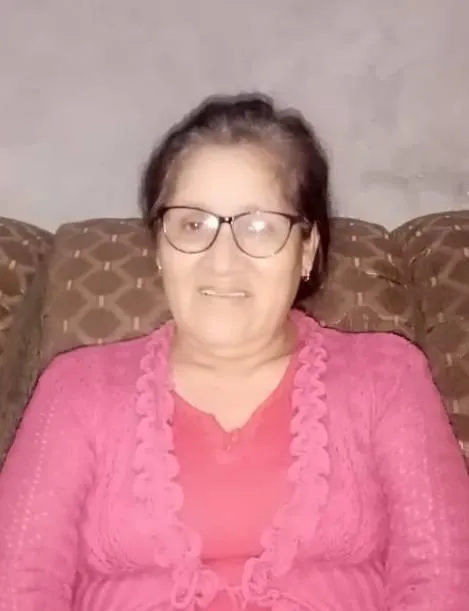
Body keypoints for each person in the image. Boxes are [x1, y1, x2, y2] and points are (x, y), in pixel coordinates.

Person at [0, 93, 468, 611]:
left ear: (307, 250)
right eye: (193, 224)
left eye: (260, 226)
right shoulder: (76, 390)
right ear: (159, 248)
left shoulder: (387, 378)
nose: (222, 261)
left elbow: (443, 579)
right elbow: (17, 586)